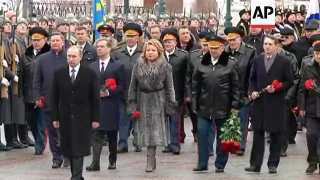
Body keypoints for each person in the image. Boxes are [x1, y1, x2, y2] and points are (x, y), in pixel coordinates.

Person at [245, 35, 294, 174]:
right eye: (265, 44)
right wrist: (252, 91)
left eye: (270, 44)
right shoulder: (258, 60)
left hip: (276, 103)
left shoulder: (284, 61)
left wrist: (277, 88)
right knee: (258, 134)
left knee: (275, 135)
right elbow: (252, 79)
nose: (267, 46)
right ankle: (255, 164)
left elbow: (289, 81)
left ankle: (273, 164)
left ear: (276, 46)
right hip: (260, 103)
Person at [191, 35, 240, 173]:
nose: (212, 51)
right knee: (202, 134)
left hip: (223, 106)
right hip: (204, 106)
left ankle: (220, 163)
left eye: (216, 48)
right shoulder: (201, 63)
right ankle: (202, 163)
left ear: (223, 48)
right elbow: (195, 85)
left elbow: (236, 87)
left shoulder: (230, 63)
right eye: (210, 48)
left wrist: (235, 105)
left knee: (222, 136)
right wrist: (194, 104)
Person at [51, 45, 100, 180]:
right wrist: (55, 117)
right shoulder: (59, 73)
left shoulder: (89, 74)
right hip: (65, 116)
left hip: (83, 117)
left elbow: (95, 97)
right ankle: (76, 175)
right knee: (70, 148)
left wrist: (96, 118)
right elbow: (54, 97)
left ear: (80, 57)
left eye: (74, 56)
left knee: (79, 148)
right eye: (69, 56)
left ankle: (76, 177)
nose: (71, 59)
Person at [127, 39, 176, 172]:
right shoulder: (138, 65)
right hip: (142, 99)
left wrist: (171, 102)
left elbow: (170, 87)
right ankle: (150, 159)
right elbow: (133, 85)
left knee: (154, 131)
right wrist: (131, 101)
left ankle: (151, 159)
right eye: (148, 50)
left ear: (159, 52)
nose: (150, 53)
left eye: (153, 50)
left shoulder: (165, 66)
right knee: (144, 130)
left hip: (158, 101)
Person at [86, 38, 125, 171]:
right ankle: (95, 162)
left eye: (102, 46)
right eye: (98, 47)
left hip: (111, 105)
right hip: (96, 106)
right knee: (96, 134)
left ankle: (112, 160)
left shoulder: (117, 66)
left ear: (109, 48)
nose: (99, 49)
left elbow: (122, 86)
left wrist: (109, 92)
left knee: (112, 135)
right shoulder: (92, 66)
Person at [33, 32, 70, 168]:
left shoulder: (69, 57)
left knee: (66, 131)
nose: (55, 43)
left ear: (62, 42)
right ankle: (56, 157)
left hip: (67, 101)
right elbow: (37, 80)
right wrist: (37, 97)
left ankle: (67, 156)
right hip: (49, 101)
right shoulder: (43, 59)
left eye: (57, 40)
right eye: (52, 41)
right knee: (53, 131)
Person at [111, 22, 144, 153]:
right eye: (128, 36)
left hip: (139, 90)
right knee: (123, 118)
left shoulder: (144, 51)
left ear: (138, 37)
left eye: (133, 36)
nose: (130, 39)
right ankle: (123, 143)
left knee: (138, 117)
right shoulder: (118, 52)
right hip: (123, 90)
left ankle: (138, 142)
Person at [224, 27, 255, 156]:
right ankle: (229, 142)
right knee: (229, 119)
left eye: (234, 40)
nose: (232, 43)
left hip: (243, 91)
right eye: (229, 40)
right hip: (226, 92)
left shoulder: (250, 51)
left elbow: (252, 74)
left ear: (240, 39)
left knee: (242, 119)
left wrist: (250, 91)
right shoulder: (223, 52)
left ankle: (240, 145)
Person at [20, 27, 51, 155]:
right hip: (29, 93)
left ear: (45, 40)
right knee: (31, 121)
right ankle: (38, 139)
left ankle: (40, 145)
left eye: (39, 40)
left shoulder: (49, 55)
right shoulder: (26, 55)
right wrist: (21, 92)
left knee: (41, 122)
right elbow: (22, 75)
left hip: (43, 95)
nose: (36, 42)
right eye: (34, 40)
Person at [298, 40, 320, 174]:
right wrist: (301, 106)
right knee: (311, 135)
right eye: (317, 53)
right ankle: (312, 161)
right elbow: (302, 88)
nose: (319, 56)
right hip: (312, 106)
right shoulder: (308, 66)